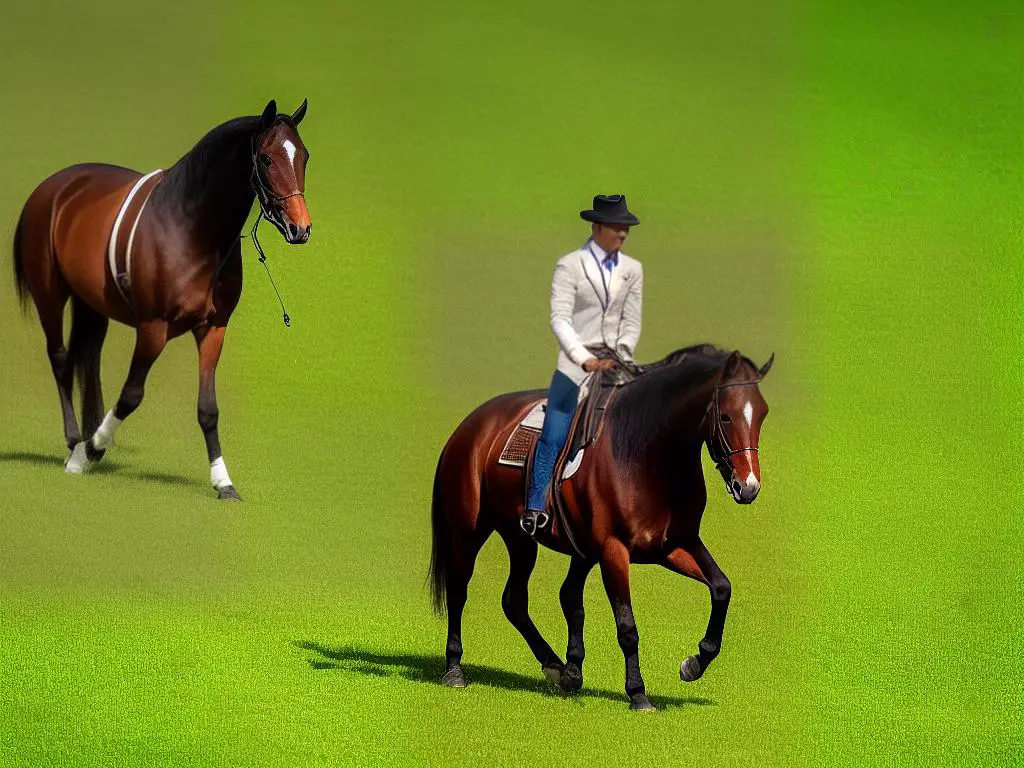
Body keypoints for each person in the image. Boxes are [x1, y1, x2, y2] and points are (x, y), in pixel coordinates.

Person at [522, 194, 644, 536]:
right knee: (555, 431)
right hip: (577, 366)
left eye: (626, 229)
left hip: (618, 363)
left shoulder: (632, 270)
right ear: (596, 227)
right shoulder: (569, 267)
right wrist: (584, 358)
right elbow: (560, 319)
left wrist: (621, 352)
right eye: (617, 228)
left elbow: (631, 321)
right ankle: (535, 506)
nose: (622, 235)